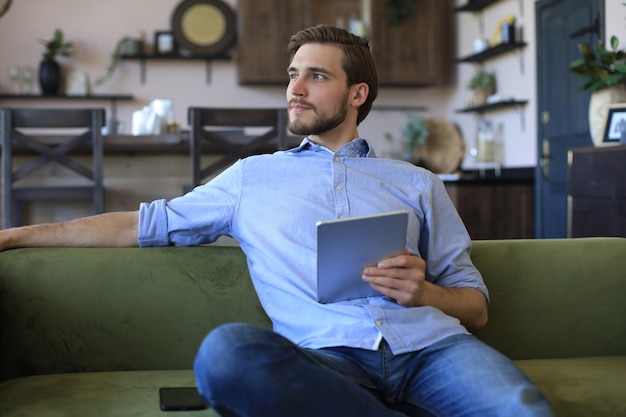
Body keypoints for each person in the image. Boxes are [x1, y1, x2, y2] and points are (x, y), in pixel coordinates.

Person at [0, 25, 553, 417]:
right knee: (228, 354)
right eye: (293, 75)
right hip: (325, 360)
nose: (295, 88)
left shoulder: (416, 181)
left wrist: (425, 292)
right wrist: (13, 235)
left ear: (356, 94)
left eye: (316, 75)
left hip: (434, 351)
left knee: (522, 408)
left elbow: (475, 308)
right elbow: (137, 225)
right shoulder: (250, 178)